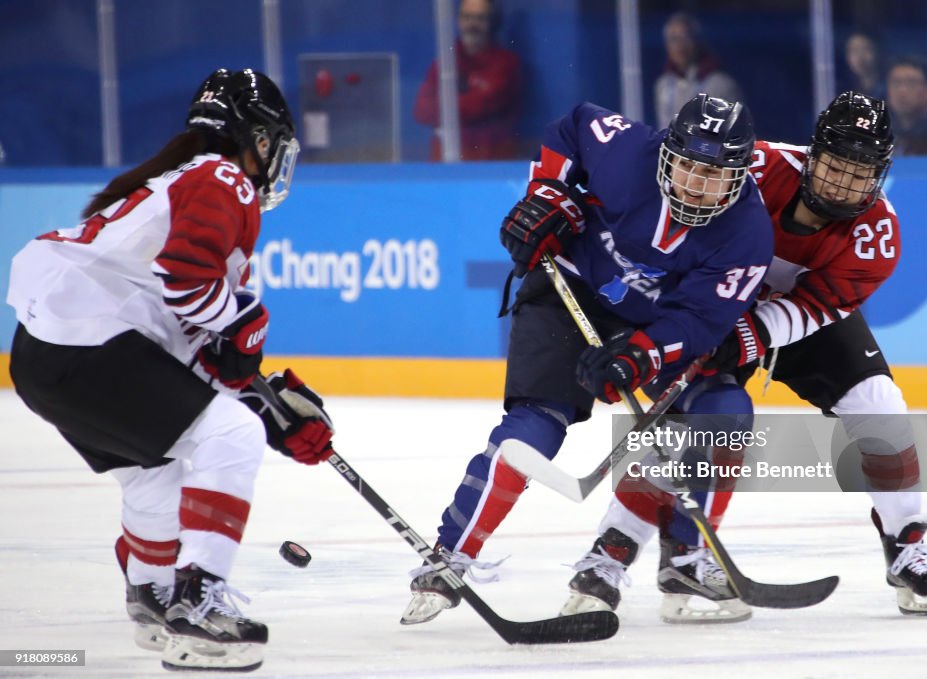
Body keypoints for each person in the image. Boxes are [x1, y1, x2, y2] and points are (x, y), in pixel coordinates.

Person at [562, 91, 927, 623]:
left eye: (860, 174)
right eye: (836, 165)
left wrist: (748, 335)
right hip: (710, 303)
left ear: (881, 176)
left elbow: (817, 305)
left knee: (879, 404)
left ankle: (907, 544)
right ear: (813, 154)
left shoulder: (877, 237)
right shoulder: (756, 165)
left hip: (790, 317)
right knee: (685, 427)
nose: (843, 183)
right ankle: (614, 551)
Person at [400, 93, 775, 625]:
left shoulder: (748, 235)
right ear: (668, 153)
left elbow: (699, 322)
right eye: (689, 166)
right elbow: (573, 124)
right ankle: (450, 556)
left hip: (654, 323)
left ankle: (687, 558)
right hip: (570, 290)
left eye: (714, 175)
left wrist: (640, 357)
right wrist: (548, 195)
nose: (696, 184)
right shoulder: (628, 152)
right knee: (537, 421)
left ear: (740, 175)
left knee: (724, 415)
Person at [6, 69, 336, 671]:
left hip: (43, 356)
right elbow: (187, 283)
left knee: (156, 471)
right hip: (87, 342)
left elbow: (187, 352)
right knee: (230, 436)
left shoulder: (175, 182)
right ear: (259, 141)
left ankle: (152, 595)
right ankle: (200, 605)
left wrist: (268, 405)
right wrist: (242, 324)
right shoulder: (222, 177)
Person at [413, 0, 523, 160]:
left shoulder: (505, 63)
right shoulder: (445, 61)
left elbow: (483, 104)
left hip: (492, 162)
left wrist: (448, 104)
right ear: (458, 20)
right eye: (467, 17)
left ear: (492, 22)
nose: (472, 24)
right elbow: (422, 111)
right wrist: (467, 100)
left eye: (480, 18)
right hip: (446, 161)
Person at [653, 12, 742, 130]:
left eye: (686, 37)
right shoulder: (663, 85)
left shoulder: (721, 84)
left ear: (697, 41)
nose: (680, 45)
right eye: (674, 39)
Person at [843, 30, 885, 100]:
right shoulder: (844, 92)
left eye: (866, 49)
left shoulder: (888, 89)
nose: (860, 57)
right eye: (854, 50)